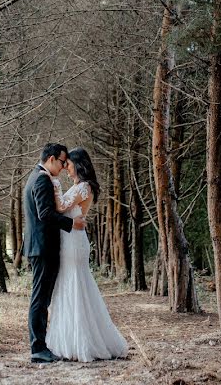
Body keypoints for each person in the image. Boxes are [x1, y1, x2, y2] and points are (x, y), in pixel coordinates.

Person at [46, 147, 129, 362]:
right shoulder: (79, 186)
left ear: (78, 164)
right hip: (71, 238)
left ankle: (81, 341)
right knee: (69, 284)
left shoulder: (83, 187)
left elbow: (62, 206)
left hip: (73, 242)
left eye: (69, 164)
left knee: (74, 284)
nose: (66, 168)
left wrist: (54, 185)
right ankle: (69, 339)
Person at [23, 142, 86, 363]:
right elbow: (45, 213)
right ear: (51, 159)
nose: (62, 167)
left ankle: (40, 345)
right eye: (61, 161)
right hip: (42, 248)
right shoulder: (41, 179)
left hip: (41, 247)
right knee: (40, 299)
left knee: (42, 298)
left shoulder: (37, 176)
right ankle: (38, 348)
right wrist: (72, 225)